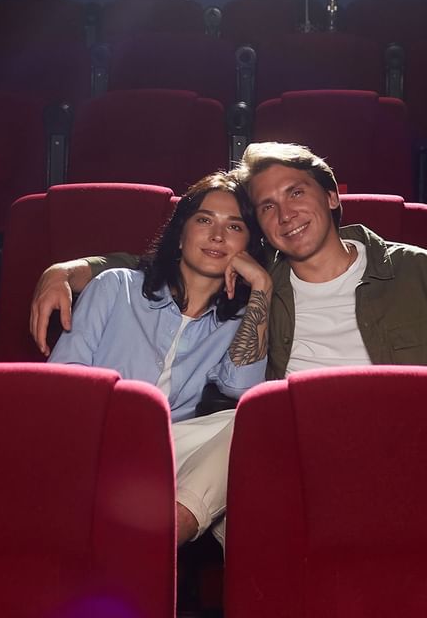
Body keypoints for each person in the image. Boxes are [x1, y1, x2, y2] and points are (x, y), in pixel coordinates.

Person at [33, 142, 427, 383]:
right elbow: (178, 258)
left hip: (400, 432)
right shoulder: (260, 280)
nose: (284, 215)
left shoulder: (418, 271)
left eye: (296, 193)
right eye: (266, 207)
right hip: (299, 445)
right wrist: (73, 269)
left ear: (331, 198)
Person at [47, 171, 271, 547]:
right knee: (237, 508)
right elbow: (63, 381)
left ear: (248, 245)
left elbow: (241, 386)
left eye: (234, 226)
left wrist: (263, 287)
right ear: (181, 235)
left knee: (254, 421)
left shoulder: (236, 320)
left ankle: (161, 538)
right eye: (204, 220)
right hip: (91, 439)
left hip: (166, 451)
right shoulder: (115, 286)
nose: (217, 236)